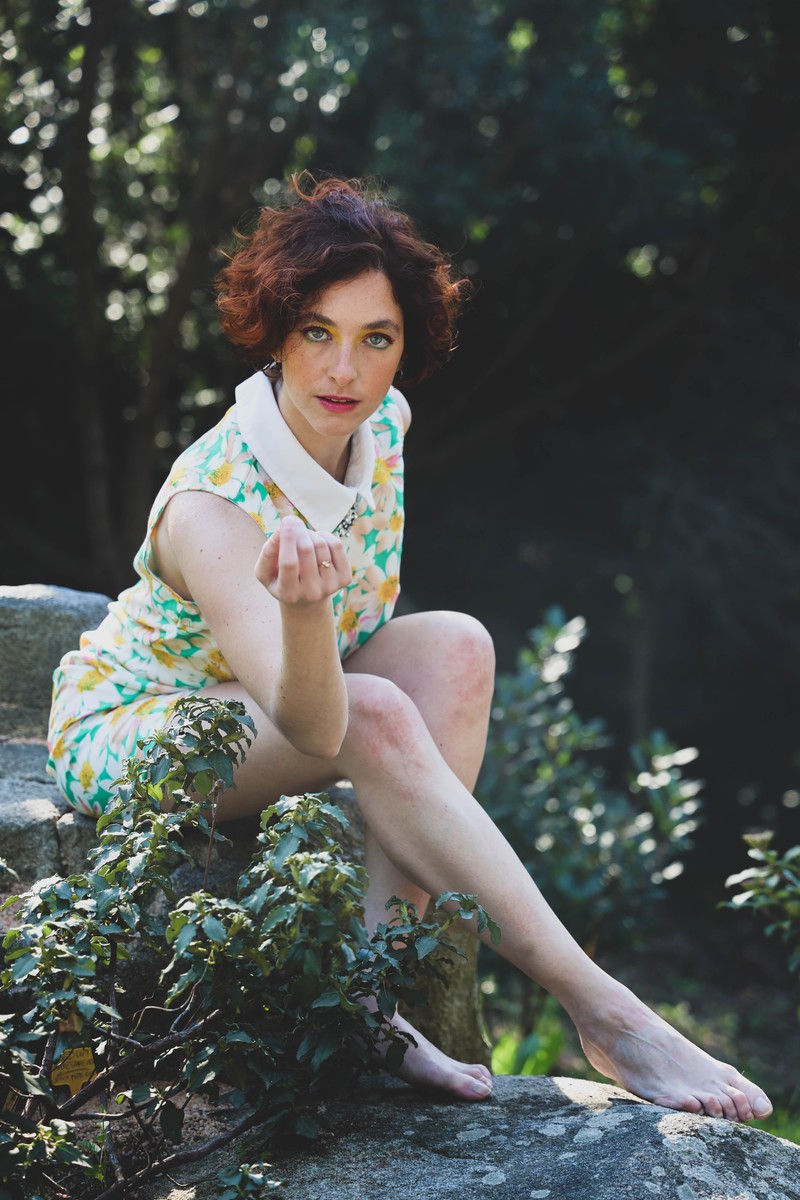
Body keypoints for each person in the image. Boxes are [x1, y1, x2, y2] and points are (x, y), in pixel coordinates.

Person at [48, 174, 772, 1121]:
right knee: (376, 711)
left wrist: (321, 625)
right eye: (317, 331)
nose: (344, 370)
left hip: (267, 702)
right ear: (275, 332)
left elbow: (349, 665)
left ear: (405, 345)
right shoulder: (212, 503)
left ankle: (369, 993)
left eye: (376, 339)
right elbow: (316, 726)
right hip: (136, 730)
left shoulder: (381, 426)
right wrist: (305, 614)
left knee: (460, 648)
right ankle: (606, 1010)